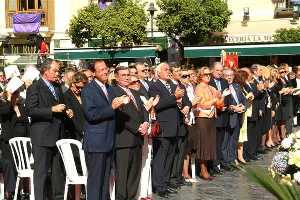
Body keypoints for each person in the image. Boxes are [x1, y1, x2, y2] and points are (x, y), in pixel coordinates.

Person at [25, 58, 73, 200]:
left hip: (58, 135)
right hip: (42, 136)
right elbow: (30, 110)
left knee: (58, 173)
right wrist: (51, 109)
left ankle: (57, 197)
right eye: (55, 70)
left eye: (58, 70)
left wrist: (67, 111)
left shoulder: (57, 87)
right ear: (45, 71)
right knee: (41, 173)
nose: (58, 73)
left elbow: (61, 105)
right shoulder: (35, 87)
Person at [81, 60, 125, 200]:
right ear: (93, 73)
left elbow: (112, 111)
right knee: (95, 181)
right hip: (96, 143)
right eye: (100, 70)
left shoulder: (110, 88)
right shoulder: (88, 90)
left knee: (105, 180)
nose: (105, 71)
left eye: (106, 68)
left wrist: (120, 106)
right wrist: (112, 107)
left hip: (109, 140)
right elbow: (91, 115)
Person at [149, 63, 186, 198]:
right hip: (163, 127)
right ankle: (158, 185)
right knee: (161, 157)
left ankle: (165, 183)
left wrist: (182, 103)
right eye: (165, 69)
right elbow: (157, 105)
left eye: (169, 69)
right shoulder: (154, 86)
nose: (168, 71)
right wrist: (174, 97)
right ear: (158, 73)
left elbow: (179, 100)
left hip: (174, 125)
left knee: (170, 156)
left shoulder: (172, 84)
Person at [112, 66, 149, 200]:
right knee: (123, 174)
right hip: (124, 139)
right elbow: (119, 114)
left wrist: (146, 123)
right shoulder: (113, 91)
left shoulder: (134, 92)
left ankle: (132, 197)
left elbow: (143, 110)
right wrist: (137, 127)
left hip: (138, 138)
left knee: (134, 173)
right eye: (123, 75)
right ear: (116, 77)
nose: (127, 77)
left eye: (128, 74)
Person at [193, 67, 223, 180]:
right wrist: (214, 101)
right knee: (203, 144)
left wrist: (221, 97)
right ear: (201, 75)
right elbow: (202, 104)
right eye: (205, 74)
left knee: (210, 143)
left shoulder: (211, 87)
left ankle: (207, 167)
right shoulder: (199, 88)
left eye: (209, 74)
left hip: (212, 118)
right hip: (202, 118)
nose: (208, 76)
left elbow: (220, 103)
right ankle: (203, 169)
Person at [223, 69, 246, 167]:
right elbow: (223, 104)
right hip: (228, 117)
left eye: (231, 75)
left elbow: (243, 99)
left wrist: (243, 107)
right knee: (226, 141)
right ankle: (226, 161)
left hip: (238, 117)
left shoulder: (237, 86)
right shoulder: (223, 88)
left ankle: (232, 159)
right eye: (227, 75)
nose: (229, 77)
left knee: (234, 140)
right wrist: (234, 109)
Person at [208, 62, 229, 173]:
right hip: (213, 116)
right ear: (212, 71)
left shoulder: (225, 82)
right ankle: (213, 165)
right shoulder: (209, 82)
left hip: (223, 116)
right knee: (213, 142)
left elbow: (228, 96)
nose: (220, 73)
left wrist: (226, 105)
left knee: (220, 142)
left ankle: (218, 163)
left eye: (221, 71)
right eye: (217, 70)